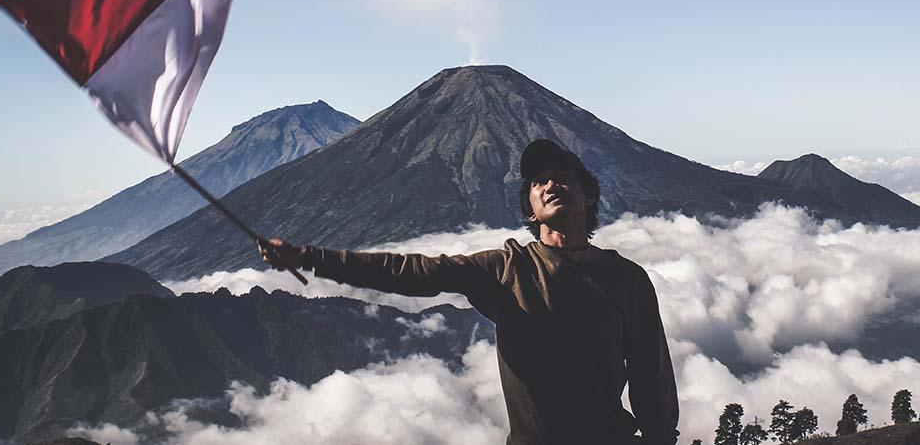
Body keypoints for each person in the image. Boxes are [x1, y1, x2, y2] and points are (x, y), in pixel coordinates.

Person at [258, 138, 680, 445]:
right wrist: (313, 257)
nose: (550, 184)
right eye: (538, 181)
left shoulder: (627, 279)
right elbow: (412, 272)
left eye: (562, 177)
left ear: (588, 195)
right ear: (529, 210)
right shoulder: (506, 269)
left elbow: (650, 375)